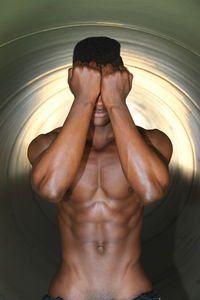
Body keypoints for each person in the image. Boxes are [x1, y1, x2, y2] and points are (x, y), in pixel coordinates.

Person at [27, 36, 173, 300]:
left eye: (105, 88)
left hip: (133, 292)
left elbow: (151, 191)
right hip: (69, 292)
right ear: (75, 83)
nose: (99, 99)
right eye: (90, 87)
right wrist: (83, 99)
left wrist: (116, 102)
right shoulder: (45, 145)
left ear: (122, 83)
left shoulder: (153, 142)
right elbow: (51, 188)